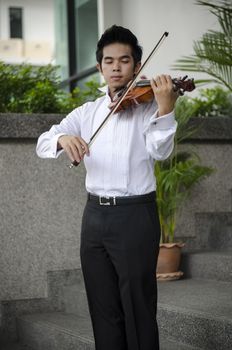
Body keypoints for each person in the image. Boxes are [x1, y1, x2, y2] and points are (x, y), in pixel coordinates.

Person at [36, 25, 178, 350]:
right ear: (100, 67)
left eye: (124, 60)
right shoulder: (88, 112)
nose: (116, 67)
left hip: (134, 216)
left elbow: (161, 151)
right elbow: (44, 142)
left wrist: (166, 108)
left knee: (138, 309)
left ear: (137, 66)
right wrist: (62, 137)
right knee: (103, 310)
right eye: (109, 61)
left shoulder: (148, 108)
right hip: (94, 217)